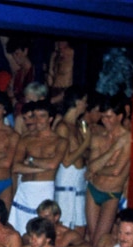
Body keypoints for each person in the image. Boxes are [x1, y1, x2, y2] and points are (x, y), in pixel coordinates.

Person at [9, 100, 67, 236]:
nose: (37, 120)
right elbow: (16, 167)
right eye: (35, 116)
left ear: (50, 119)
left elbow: (53, 164)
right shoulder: (26, 139)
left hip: (44, 189)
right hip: (25, 189)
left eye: (42, 116)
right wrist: (41, 167)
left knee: (40, 232)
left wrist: (30, 160)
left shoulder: (60, 141)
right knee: (18, 232)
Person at [86, 96, 131, 247]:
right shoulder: (98, 137)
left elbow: (116, 171)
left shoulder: (127, 138)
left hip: (111, 193)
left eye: (109, 117)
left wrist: (97, 169)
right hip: (93, 190)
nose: (105, 120)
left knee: (99, 241)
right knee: (93, 239)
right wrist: (114, 149)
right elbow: (91, 167)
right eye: (103, 116)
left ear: (119, 116)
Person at [53, 87, 91, 233]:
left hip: (80, 178)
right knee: (64, 225)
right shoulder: (62, 127)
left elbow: (85, 154)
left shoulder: (78, 125)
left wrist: (86, 145)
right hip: (67, 178)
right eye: (84, 101)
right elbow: (66, 160)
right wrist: (86, 143)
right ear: (76, 101)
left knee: (80, 224)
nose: (86, 105)